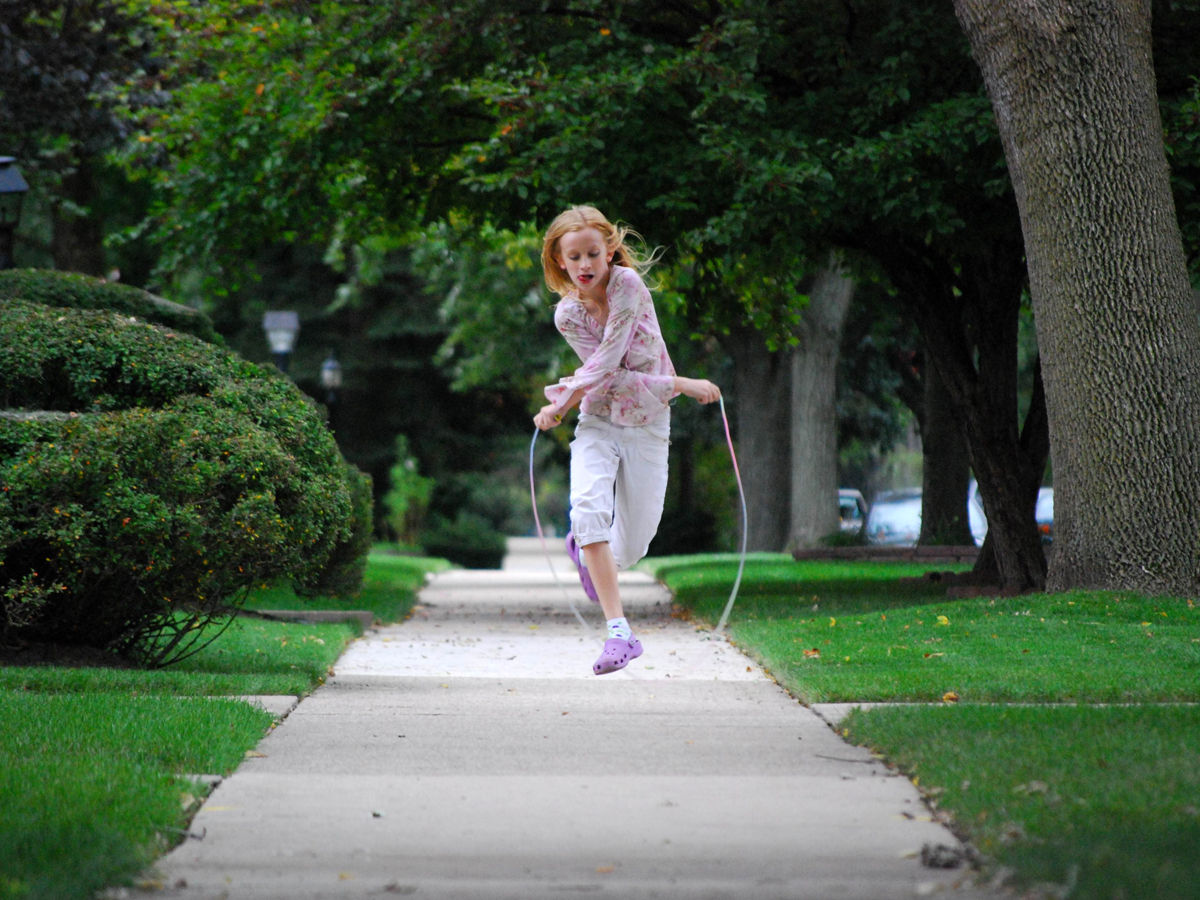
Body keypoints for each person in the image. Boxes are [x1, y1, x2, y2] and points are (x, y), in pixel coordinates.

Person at [533, 205, 720, 675]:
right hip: (599, 420)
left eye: (593, 253)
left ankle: (586, 547)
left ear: (610, 250)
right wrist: (567, 405)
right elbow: (605, 375)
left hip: (648, 423)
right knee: (589, 507)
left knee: (633, 548)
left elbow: (613, 357)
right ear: (559, 262)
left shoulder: (628, 287)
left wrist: (679, 385)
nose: (584, 265)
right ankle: (619, 632)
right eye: (573, 257)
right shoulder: (568, 315)